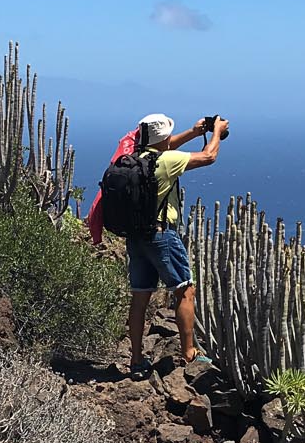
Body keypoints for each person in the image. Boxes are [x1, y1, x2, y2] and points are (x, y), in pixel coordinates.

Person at [97, 112, 228, 376]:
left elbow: (165, 146)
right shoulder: (166, 161)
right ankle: (190, 353)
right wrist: (216, 133)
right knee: (184, 290)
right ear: (163, 137)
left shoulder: (135, 158)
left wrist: (194, 131)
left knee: (140, 295)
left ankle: (136, 359)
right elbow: (208, 157)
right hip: (161, 236)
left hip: (136, 237)